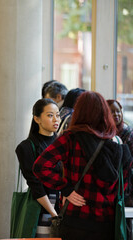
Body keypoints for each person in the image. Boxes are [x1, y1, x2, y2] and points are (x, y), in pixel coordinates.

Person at [33, 91, 132, 240]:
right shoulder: (116, 142)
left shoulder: (70, 138)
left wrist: (66, 189)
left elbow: (40, 167)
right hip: (108, 222)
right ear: (104, 112)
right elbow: (123, 185)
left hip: (76, 217)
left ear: (79, 112)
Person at [15, 98, 61, 237]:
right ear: (37, 119)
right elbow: (35, 184)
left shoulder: (62, 144)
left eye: (58, 115)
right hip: (42, 209)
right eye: (50, 115)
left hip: (63, 208)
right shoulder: (27, 147)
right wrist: (54, 214)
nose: (56, 120)